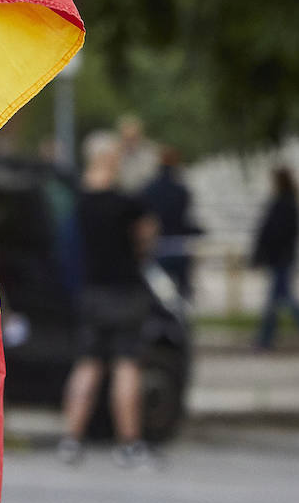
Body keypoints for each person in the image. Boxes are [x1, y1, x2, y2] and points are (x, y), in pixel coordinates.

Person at [57, 132, 158, 467]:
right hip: (126, 292)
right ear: (111, 159)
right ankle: (129, 443)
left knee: (87, 365)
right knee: (126, 366)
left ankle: (71, 440)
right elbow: (147, 237)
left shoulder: (78, 199)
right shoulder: (127, 203)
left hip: (91, 292)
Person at [251, 165, 299, 350]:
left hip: (280, 258)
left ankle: (267, 339)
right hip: (284, 257)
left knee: (281, 300)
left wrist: (261, 255)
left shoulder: (283, 204)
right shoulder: (291, 203)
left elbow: (272, 233)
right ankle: (267, 338)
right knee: (280, 299)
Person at [142, 147, 203, 300]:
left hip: (157, 245)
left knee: (157, 290)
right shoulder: (181, 191)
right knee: (182, 291)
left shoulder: (149, 190)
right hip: (178, 244)